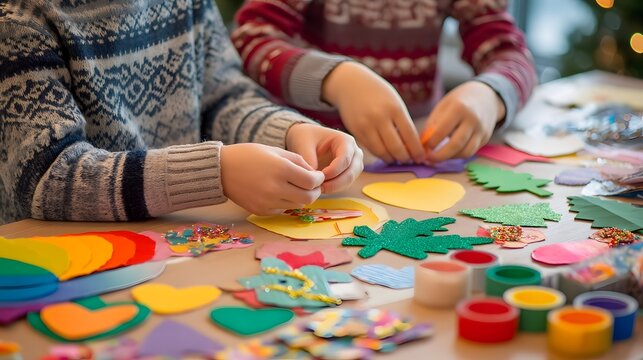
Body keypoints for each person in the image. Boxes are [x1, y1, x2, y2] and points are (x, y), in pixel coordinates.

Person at [0, 0, 363, 225]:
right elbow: (47, 176)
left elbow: (224, 99)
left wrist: (289, 132)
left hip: (176, 247)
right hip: (64, 268)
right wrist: (215, 172)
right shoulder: (17, 20)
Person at [232, 0, 537, 164]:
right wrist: (336, 79)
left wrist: (491, 94)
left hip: (420, 151)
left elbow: (510, 55)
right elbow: (251, 42)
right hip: (310, 154)